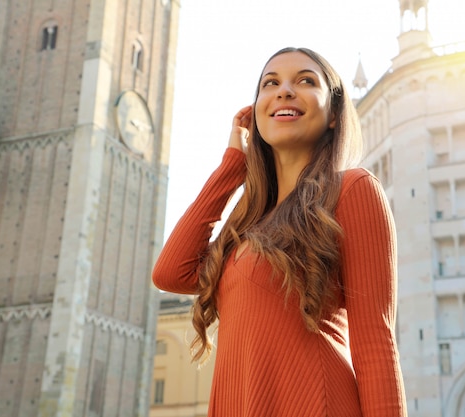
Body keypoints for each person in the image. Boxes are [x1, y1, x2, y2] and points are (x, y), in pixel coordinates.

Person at [152, 47, 407, 417]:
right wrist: (231, 167)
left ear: (335, 113)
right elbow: (170, 272)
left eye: (305, 81)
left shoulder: (352, 190)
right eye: (270, 83)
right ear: (257, 112)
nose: (284, 91)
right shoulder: (247, 224)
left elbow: (376, 347)